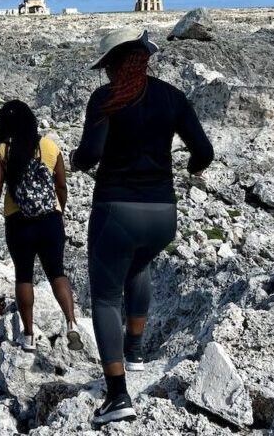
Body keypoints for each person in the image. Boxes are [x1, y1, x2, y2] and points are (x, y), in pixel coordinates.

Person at [70, 27, 214, 425]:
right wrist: (190, 169)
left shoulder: (107, 99)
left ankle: (117, 395)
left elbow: (91, 153)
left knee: (104, 298)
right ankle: (134, 352)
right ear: (145, 57)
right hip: (163, 213)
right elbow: (204, 151)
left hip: (117, 209)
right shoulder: (173, 97)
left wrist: (75, 160)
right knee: (140, 266)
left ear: (113, 64)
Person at [0, 99, 82, 353]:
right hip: (50, 220)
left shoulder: (2, 151)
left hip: (18, 222)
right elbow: (61, 185)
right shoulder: (48, 145)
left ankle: (28, 336)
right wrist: (59, 210)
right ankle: (71, 323)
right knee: (57, 273)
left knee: (24, 275)